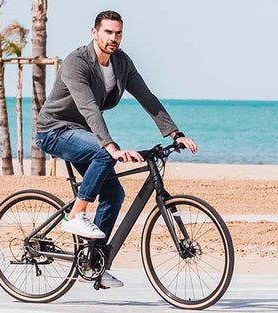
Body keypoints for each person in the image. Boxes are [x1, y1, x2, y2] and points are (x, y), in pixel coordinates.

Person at [35, 10, 197, 288]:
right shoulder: (76, 62)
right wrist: (110, 146)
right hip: (55, 131)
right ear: (94, 32)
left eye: (118, 33)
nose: (113, 38)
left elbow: (147, 97)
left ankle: (92, 264)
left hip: (83, 134)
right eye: (108, 32)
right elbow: (87, 107)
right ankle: (76, 213)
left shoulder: (121, 63)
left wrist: (174, 132)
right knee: (103, 153)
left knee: (114, 193)